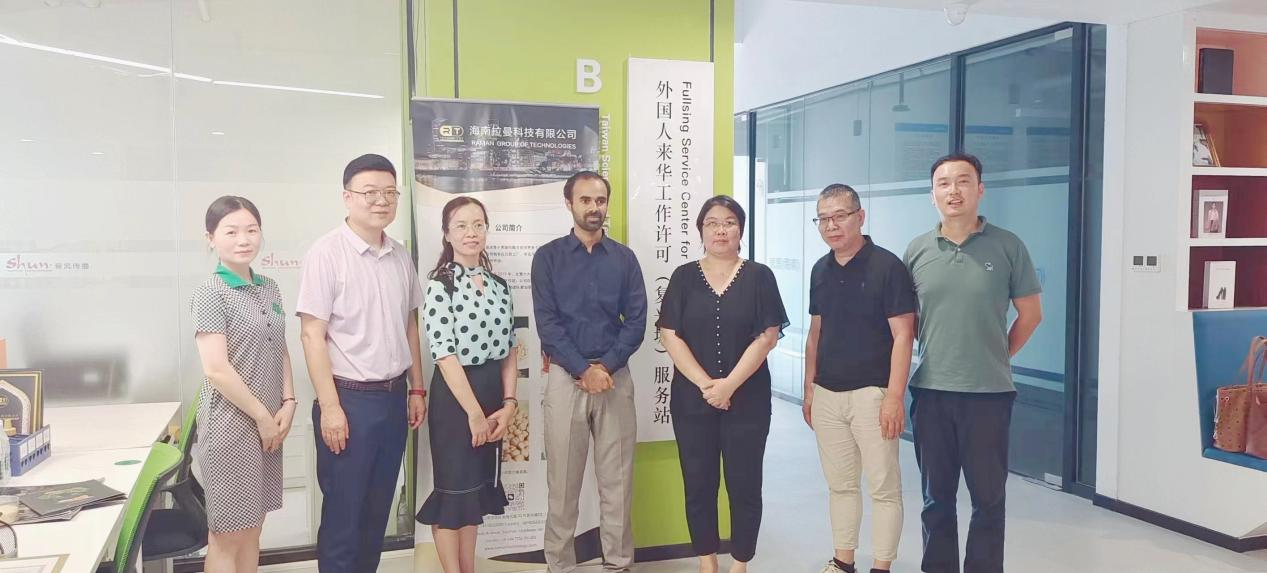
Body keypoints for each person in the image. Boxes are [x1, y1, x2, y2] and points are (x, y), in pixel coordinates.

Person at [903, 153, 1043, 573]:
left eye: (963, 181)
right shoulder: (917, 250)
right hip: (931, 392)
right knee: (936, 500)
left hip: (989, 395)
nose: (954, 191)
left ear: (980, 189)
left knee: (988, 500)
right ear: (932, 195)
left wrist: (996, 355)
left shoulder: (1008, 246)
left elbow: (1031, 315)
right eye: (944, 183)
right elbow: (906, 322)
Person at [295, 154, 428, 573]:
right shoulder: (327, 253)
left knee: (376, 513)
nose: (381, 201)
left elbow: (409, 324)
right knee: (344, 516)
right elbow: (311, 335)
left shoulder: (400, 255)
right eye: (370, 192)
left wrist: (417, 387)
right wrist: (330, 407)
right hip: (348, 400)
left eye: (389, 192)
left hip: (393, 399)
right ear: (347, 197)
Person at [657, 195, 787, 573]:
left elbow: (767, 336)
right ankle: (707, 561)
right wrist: (707, 386)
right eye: (711, 223)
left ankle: (740, 563)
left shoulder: (759, 276)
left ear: (740, 230)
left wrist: (728, 386)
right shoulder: (683, 277)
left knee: (745, 483)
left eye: (729, 222)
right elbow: (669, 334)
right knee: (698, 482)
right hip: (692, 401)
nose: (720, 230)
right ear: (701, 230)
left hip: (747, 400)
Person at [531, 171, 647, 573]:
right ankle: (559, 565)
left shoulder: (624, 259)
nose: (594, 207)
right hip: (567, 379)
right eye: (585, 200)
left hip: (615, 379)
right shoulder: (548, 257)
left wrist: (605, 367)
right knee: (562, 485)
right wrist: (583, 369)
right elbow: (547, 325)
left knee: (617, 483)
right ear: (569, 204)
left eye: (600, 200)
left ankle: (618, 564)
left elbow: (636, 321)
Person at [803, 184, 915, 573]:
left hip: (873, 393)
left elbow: (904, 335)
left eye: (840, 216)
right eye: (823, 219)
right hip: (827, 393)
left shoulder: (888, 267)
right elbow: (815, 333)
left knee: (884, 488)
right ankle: (843, 561)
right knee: (841, 485)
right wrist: (809, 389)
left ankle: (881, 567)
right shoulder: (820, 270)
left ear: (860, 217)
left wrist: (894, 397)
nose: (831, 226)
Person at [191, 196, 295, 573]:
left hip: (269, 423)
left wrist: (289, 400)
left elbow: (279, 345)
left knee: (253, 529)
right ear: (210, 238)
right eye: (231, 232)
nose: (243, 240)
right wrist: (262, 417)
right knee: (227, 535)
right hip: (232, 425)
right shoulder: (211, 291)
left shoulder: (270, 287)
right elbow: (216, 369)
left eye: (251, 230)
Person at [417, 196, 518, 573]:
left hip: (492, 393)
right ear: (446, 234)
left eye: (478, 224)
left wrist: (509, 404)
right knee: (453, 492)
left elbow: (510, 349)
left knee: (474, 493)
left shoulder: (499, 285)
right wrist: (474, 413)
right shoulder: (440, 285)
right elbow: (444, 355)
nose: (471, 232)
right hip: (456, 397)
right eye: (461, 225)